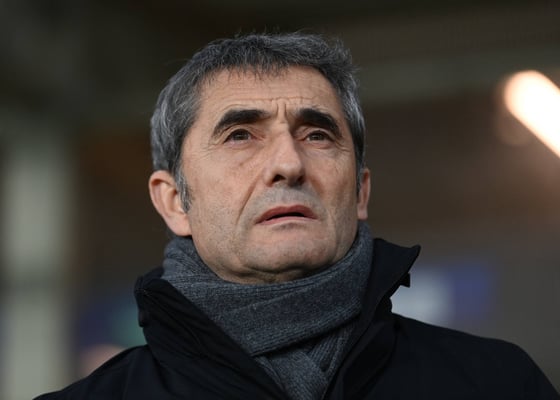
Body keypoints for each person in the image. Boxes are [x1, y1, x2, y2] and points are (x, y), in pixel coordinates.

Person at [35, 32, 558, 400]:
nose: (288, 164)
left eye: (317, 135)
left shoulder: (498, 384)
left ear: (360, 192)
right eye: (241, 135)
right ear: (174, 201)